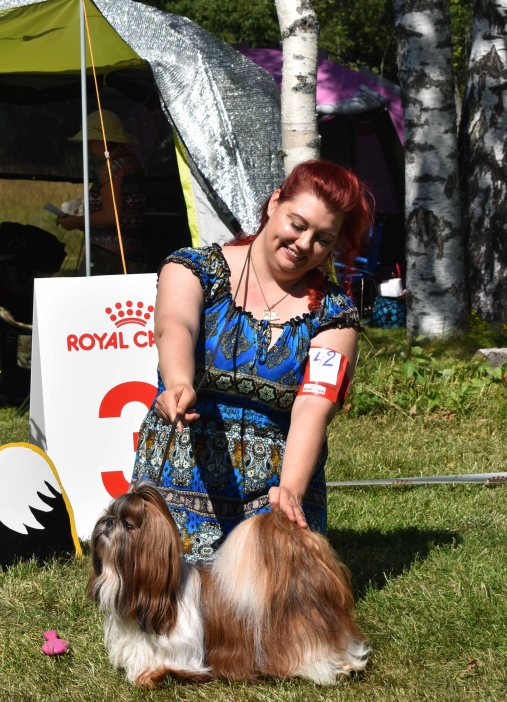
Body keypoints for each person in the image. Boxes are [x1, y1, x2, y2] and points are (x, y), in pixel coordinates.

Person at [131, 159, 373, 561]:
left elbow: (314, 405)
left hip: (276, 491)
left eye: (323, 239)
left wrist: (290, 491)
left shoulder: (335, 314)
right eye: (297, 224)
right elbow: (175, 325)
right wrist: (178, 382)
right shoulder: (193, 268)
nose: (304, 244)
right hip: (181, 478)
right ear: (275, 202)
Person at [58, 110, 145, 274]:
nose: (89, 147)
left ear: (102, 140)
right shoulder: (132, 163)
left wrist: (76, 222)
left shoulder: (112, 168)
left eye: (91, 141)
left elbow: (110, 216)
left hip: (108, 255)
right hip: (131, 251)